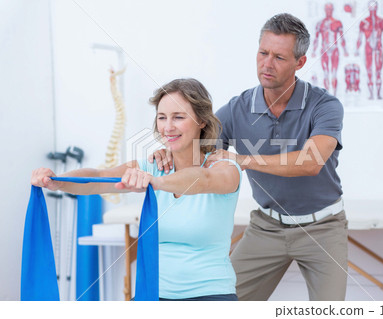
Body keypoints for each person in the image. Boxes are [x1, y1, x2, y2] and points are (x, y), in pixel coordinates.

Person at [152, 13, 347, 301]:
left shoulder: (325, 106)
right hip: (266, 227)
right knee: (226, 302)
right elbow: (197, 144)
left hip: (323, 228)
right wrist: (167, 149)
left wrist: (243, 160)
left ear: (300, 63)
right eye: (263, 53)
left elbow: (311, 162)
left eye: (279, 57)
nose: (267, 64)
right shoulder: (238, 108)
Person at [31, 78, 242, 301]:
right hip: (151, 296)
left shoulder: (224, 166)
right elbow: (99, 177)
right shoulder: (153, 166)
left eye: (178, 117)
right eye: (162, 117)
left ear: (201, 120)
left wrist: (157, 182)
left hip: (210, 296)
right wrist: (56, 181)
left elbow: (203, 179)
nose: (168, 127)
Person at [355, 0, 383, 100]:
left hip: (378, 48)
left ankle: (378, 94)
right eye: (370, 7)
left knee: (378, 72)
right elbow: (360, 37)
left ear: (377, 8)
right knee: (369, 71)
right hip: (367, 48)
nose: (372, 10)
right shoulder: (363, 22)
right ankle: (371, 94)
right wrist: (357, 49)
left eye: (374, 7)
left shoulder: (382, 22)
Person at [311, 3, 349, 95]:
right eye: (327, 9)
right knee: (326, 73)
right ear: (325, 10)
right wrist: (314, 51)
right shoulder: (320, 23)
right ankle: (328, 94)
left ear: (332, 10)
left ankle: (334, 94)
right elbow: (316, 38)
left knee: (334, 73)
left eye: (330, 9)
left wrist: (345, 50)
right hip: (324, 50)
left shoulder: (337, 23)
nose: (329, 11)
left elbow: (342, 37)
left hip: (334, 50)